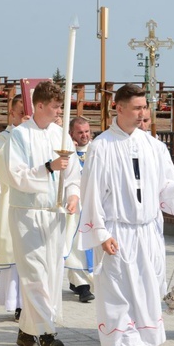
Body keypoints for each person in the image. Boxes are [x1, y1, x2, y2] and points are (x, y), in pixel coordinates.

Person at [79, 84, 174, 346]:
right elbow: (91, 194)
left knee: (146, 289)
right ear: (118, 108)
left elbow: (164, 185)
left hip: (147, 231)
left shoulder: (153, 146)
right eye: (136, 107)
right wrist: (101, 232)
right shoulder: (101, 146)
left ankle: (132, 345)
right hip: (118, 230)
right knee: (118, 292)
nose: (142, 112)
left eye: (144, 107)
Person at [2, 81, 81, 346]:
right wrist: (47, 167)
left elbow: (73, 175)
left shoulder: (62, 135)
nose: (60, 111)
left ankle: (26, 331)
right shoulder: (20, 136)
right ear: (39, 106)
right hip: (26, 214)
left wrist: (73, 195)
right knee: (34, 275)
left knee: (49, 278)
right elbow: (15, 174)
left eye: (62, 106)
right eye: (57, 106)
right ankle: (48, 337)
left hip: (55, 215)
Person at [0, 95, 27, 323]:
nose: (26, 116)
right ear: (12, 113)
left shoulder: (41, 136)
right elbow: (2, 165)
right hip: (13, 199)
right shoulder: (3, 138)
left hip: (37, 206)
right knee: (16, 254)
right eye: (21, 112)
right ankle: (18, 305)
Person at [64, 117, 95, 303]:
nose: (84, 136)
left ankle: (84, 283)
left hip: (93, 204)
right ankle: (82, 286)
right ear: (72, 134)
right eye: (79, 132)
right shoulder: (67, 152)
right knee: (75, 244)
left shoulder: (97, 150)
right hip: (75, 205)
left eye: (86, 132)